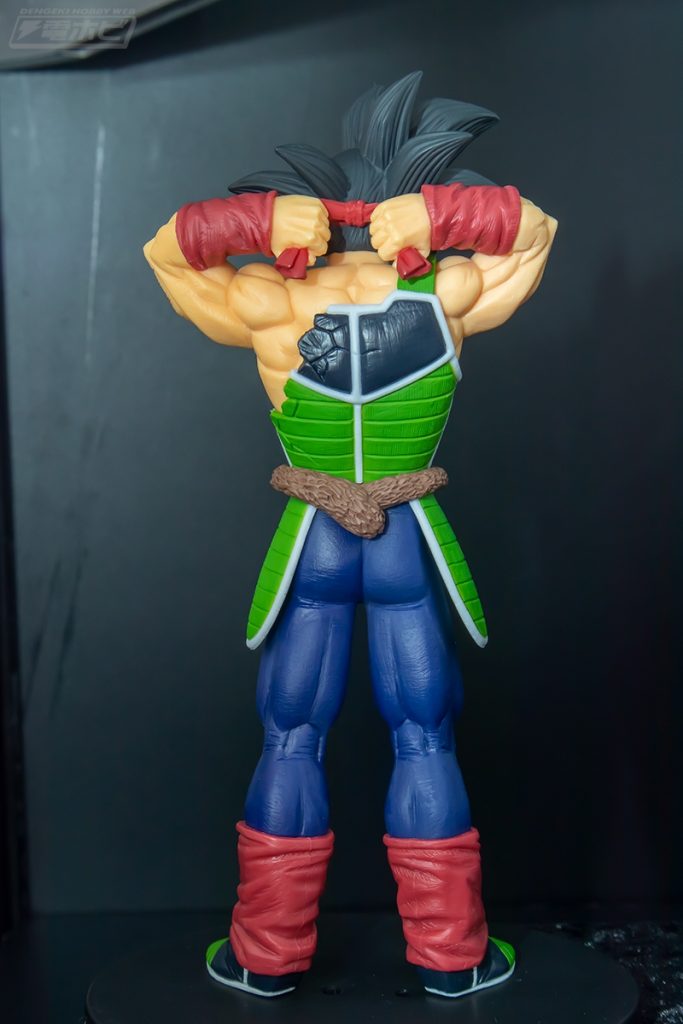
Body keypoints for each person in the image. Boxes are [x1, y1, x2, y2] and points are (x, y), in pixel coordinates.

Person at [144, 71, 557, 1000]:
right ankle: (452, 958)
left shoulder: (270, 299)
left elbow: (168, 252)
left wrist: (251, 226)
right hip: (400, 536)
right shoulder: (447, 286)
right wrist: (446, 216)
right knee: (423, 737)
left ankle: (264, 956)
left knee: (292, 735)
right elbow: (533, 231)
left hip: (319, 540)